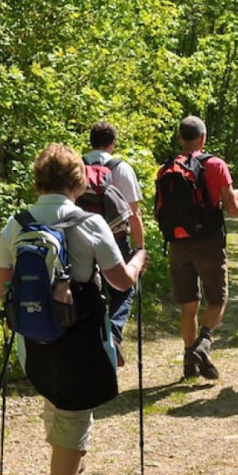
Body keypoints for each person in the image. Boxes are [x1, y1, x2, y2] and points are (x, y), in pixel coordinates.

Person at [0, 143, 148, 475]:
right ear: (78, 181)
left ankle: (65, 474)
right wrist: (139, 259)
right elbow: (120, 282)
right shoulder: (89, 222)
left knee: (58, 402)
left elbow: (1, 291)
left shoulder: (17, 223)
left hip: (33, 337)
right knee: (75, 412)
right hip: (79, 335)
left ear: (38, 180)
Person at [156, 116, 238, 380]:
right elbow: (234, 210)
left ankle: (189, 362)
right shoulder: (215, 165)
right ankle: (203, 345)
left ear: (181, 138)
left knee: (189, 304)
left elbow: (160, 214)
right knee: (217, 299)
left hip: (178, 244)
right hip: (208, 242)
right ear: (202, 138)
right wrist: (234, 196)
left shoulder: (165, 169)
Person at [82, 121, 144, 366]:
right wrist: (140, 250)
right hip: (115, 238)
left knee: (88, 288)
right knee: (125, 289)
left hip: (81, 238)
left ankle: (91, 338)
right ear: (112, 143)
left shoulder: (76, 166)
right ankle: (114, 333)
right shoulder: (121, 168)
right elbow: (134, 213)